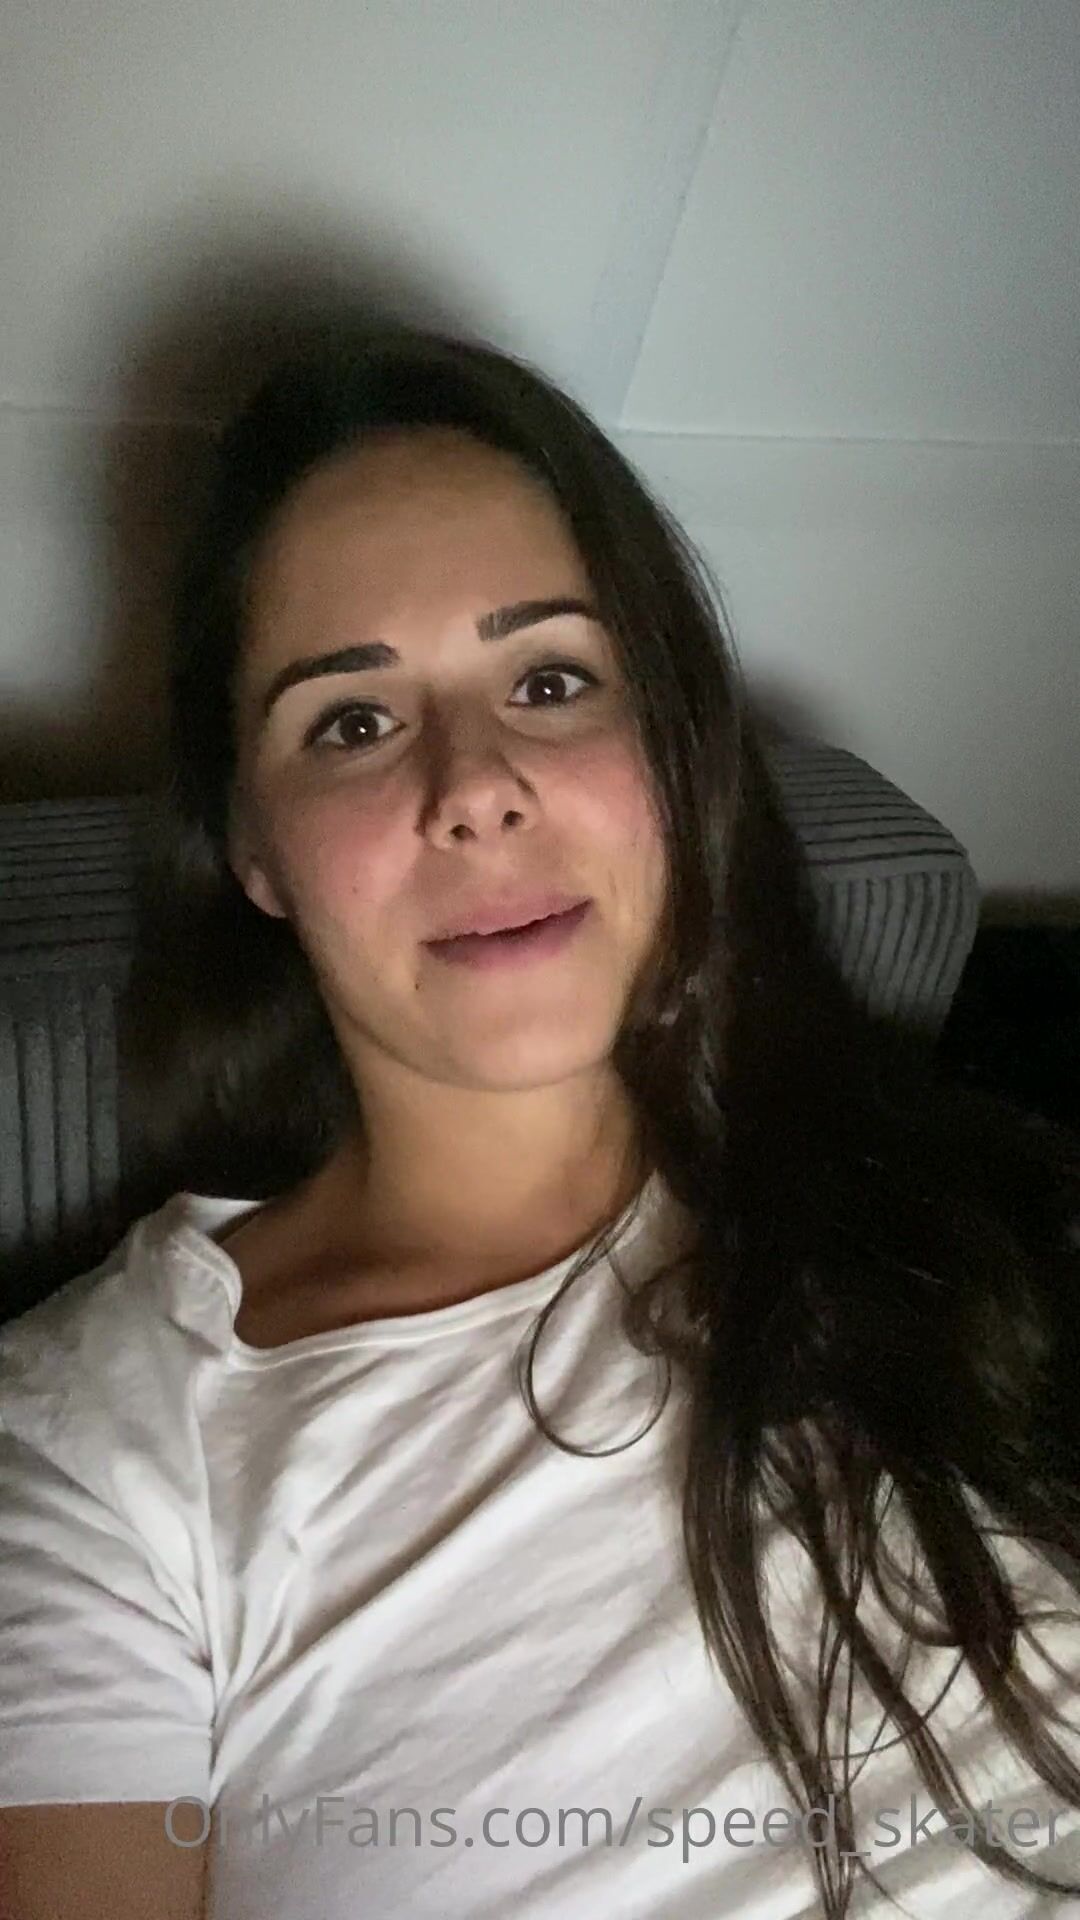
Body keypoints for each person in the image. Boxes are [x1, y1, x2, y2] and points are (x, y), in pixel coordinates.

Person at [1, 323, 1079, 1920]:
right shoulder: (96, 1448)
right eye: (351, 721)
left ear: (674, 754)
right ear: (253, 848)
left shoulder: (973, 1207)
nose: (474, 783)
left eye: (550, 681)